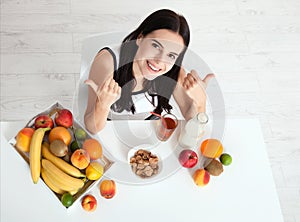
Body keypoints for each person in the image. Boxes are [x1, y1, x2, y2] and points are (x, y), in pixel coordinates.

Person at [84, 9, 214, 134]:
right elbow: (92, 128)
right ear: (140, 38)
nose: (159, 61)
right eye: (156, 46)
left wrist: (200, 101)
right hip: (110, 126)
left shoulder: (174, 71)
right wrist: (103, 105)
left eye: (171, 55)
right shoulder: (108, 62)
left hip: (150, 128)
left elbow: (195, 129)